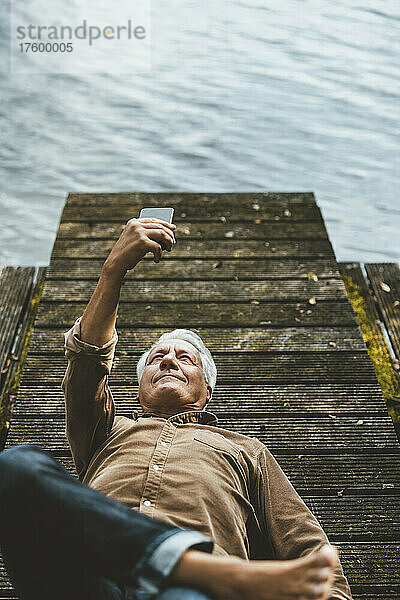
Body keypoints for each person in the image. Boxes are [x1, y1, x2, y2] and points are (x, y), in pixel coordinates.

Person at [0, 217, 353, 600]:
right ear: (138, 388)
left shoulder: (245, 450)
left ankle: (191, 570)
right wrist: (114, 268)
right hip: (88, 581)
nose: (168, 361)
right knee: (15, 466)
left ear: (209, 389)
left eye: (186, 359)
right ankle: (208, 570)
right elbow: (87, 362)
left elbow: (310, 551)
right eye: (157, 357)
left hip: (185, 594)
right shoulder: (104, 430)